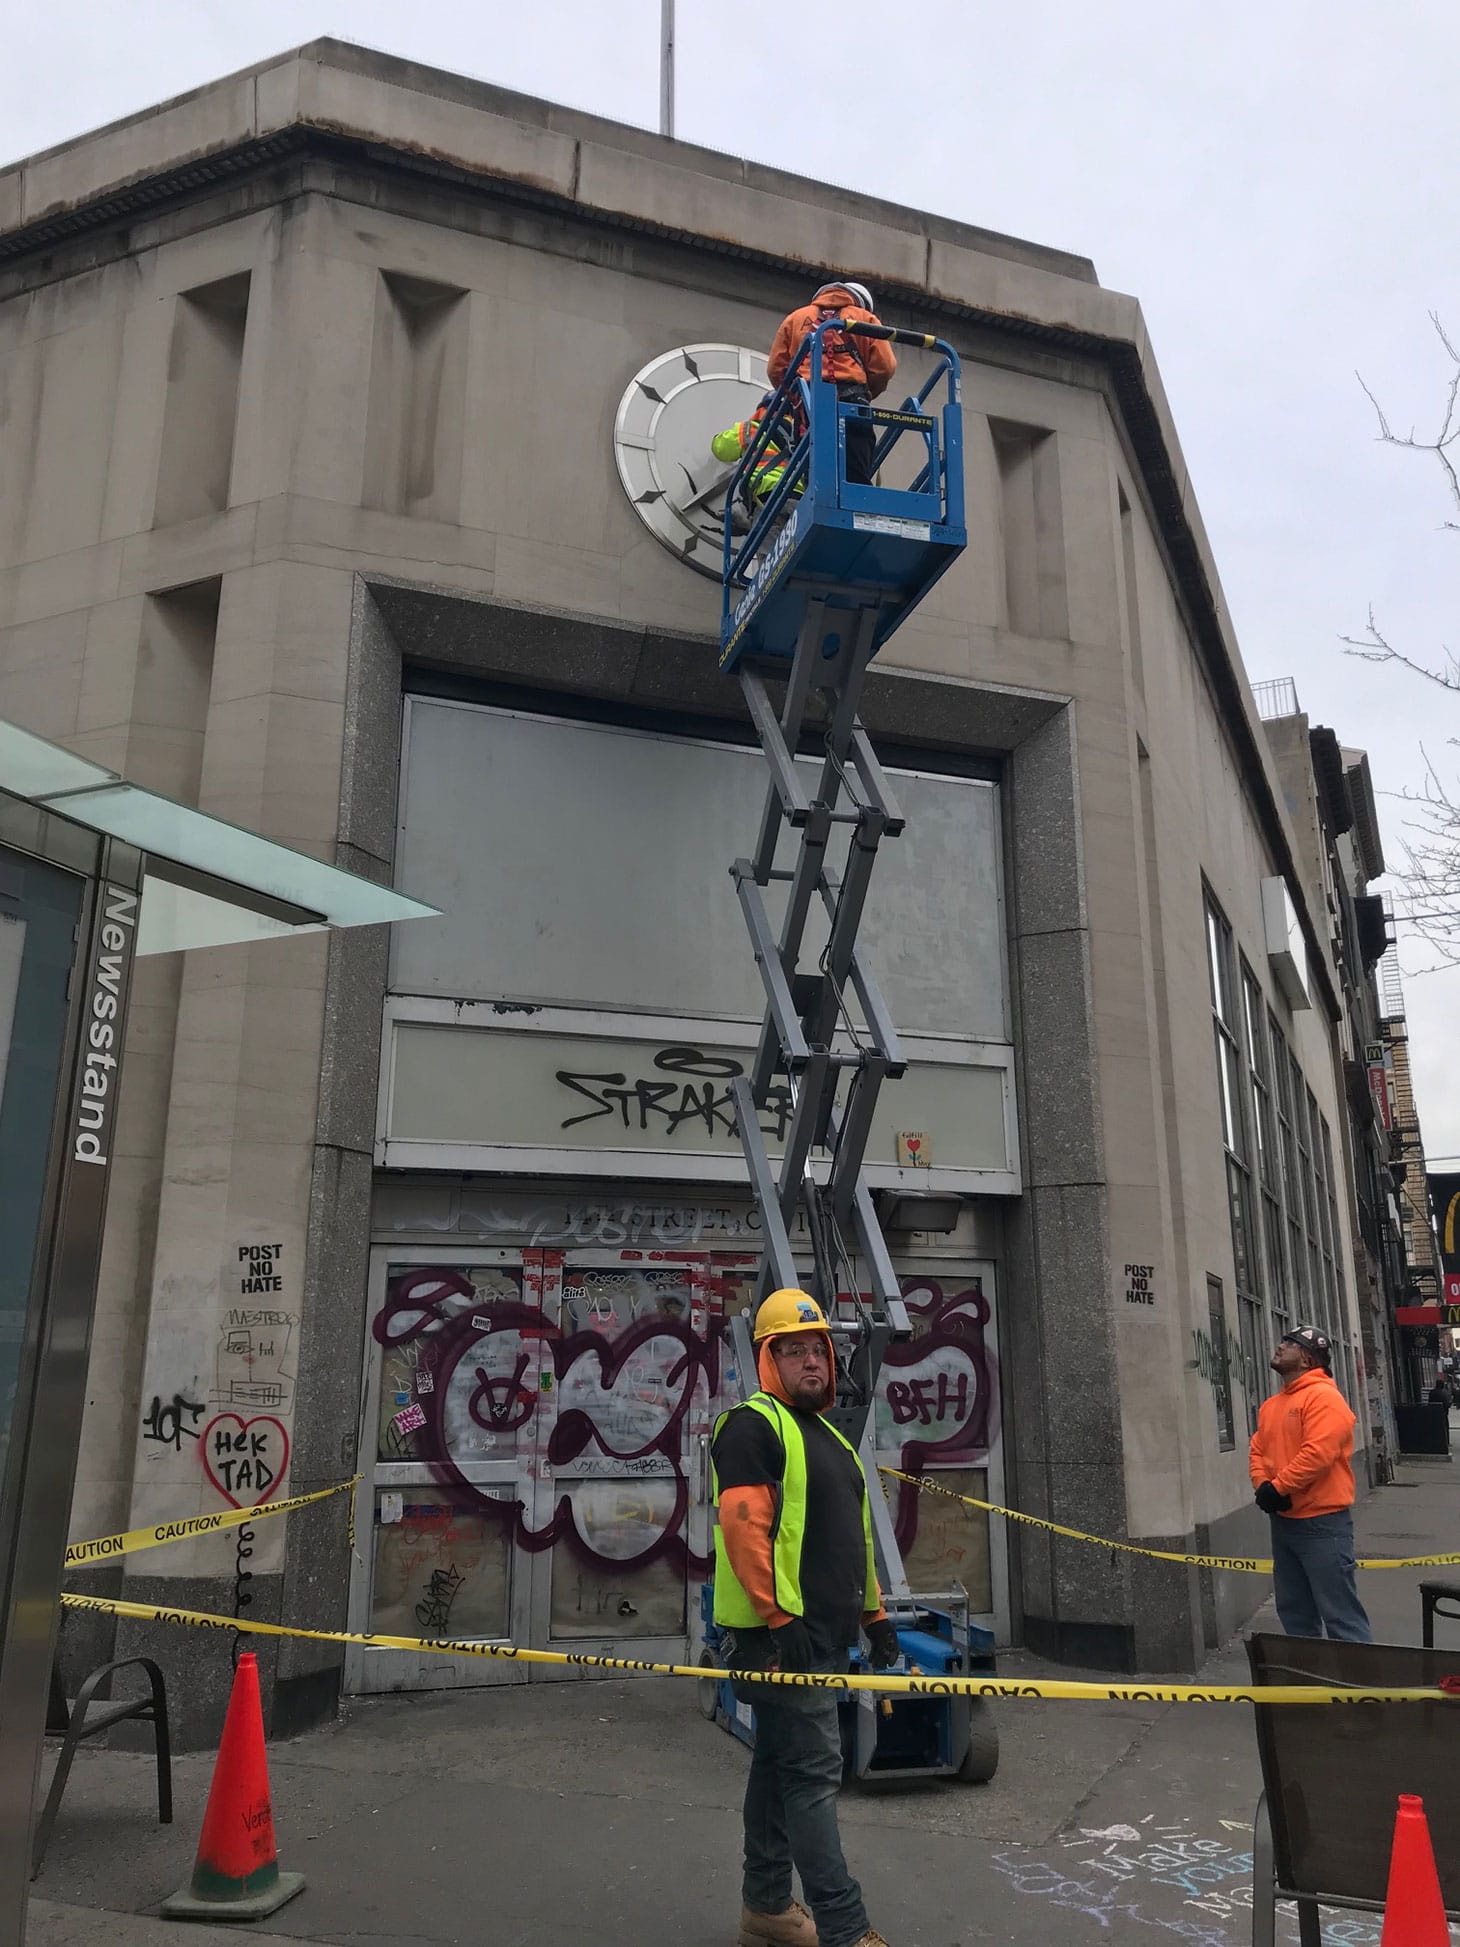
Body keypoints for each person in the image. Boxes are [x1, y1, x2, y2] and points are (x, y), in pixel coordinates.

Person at [712, 1288, 897, 1947]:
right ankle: (846, 1929)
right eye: (793, 1350)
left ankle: (765, 1908)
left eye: (818, 1348)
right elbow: (744, 1528)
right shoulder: (752, 1425)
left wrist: (874, 1615)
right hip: (778, 1641)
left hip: (818, 1638)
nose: (812, 1360)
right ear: (768, 1359)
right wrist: (779, 1618)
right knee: (813, 1774)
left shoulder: (832, 1440)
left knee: (779, 1765)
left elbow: (854, 1539)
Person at [1248, 1324, 1372, 1642]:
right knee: (1295, 1613)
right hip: (1285, 1521)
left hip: (1322, 1523)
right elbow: (1257, 1449)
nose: (1280, 1345)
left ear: (1307, 1358)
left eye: (1290, 1343)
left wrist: (1277, 1488)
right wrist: (1263, 1486)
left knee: (1341, 1616)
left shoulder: (1325, 1398)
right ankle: (1309, 1672)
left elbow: (1318, 1454)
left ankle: (1358, 1674)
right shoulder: (1272, 1405)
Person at [766, 280, 896, 487]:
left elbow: (776, 369)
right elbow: (885, 366)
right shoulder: (866, 318)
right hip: (852, 399)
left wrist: (794, 397)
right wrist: (867, 391)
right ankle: (855, 495)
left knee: (812, 464)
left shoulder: (795, 318)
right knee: (856, 461)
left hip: (808, 402)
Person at [711, 395, 804, 519]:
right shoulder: (800, 437)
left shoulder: (751, 429)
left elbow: (721, 448)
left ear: (763, 410)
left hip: (769, 495)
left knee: (771, 529)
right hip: (800, 499)